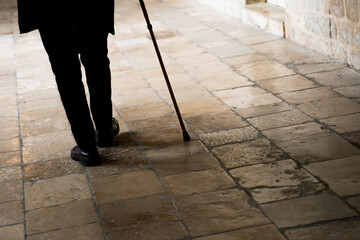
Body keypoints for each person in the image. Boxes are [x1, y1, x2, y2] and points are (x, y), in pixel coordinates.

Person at [17, 0, 119, 166]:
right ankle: (104, 130)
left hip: (50, 8)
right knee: (96, 62)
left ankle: (87, 148)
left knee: (66, 72)